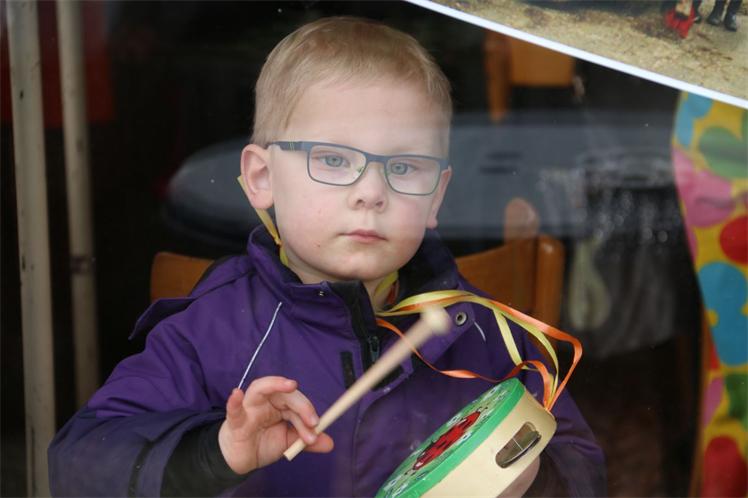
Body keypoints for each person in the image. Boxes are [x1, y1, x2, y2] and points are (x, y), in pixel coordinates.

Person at [48, 17, 605, 497]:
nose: (371, 192)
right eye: (334, 160)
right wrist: (215, 452)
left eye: (404, 167)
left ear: (436, 197)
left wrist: (530, 482)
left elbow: (582, 464)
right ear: (261, 178)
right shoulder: (210, 331)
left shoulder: (482, 332)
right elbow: (75, 465)